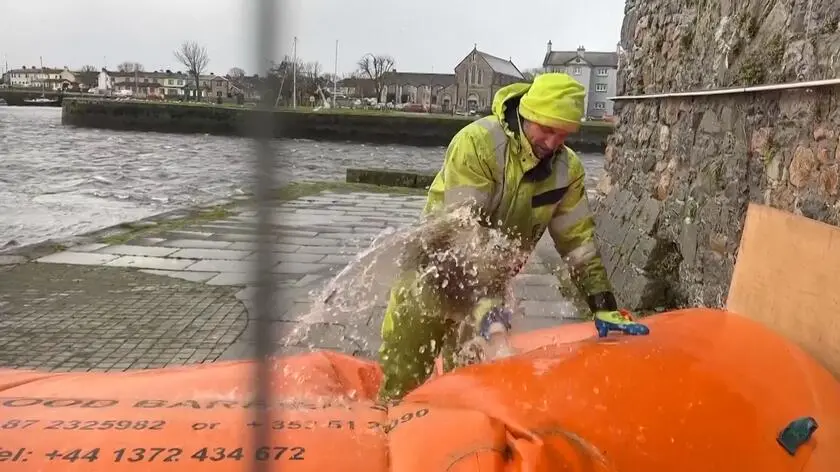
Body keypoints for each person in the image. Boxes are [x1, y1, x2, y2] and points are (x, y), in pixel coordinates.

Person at [377, 73, 649, 402]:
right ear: (526, 114)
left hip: (492, 281)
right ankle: (391, 422)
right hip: (432, 275)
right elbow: (463, 232)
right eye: (546, 129)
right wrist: (488, 308)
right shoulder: (477, 143)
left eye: (563, 134)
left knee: (471, 381)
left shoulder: (568, 170)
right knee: (404, 374)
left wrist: (602, 304)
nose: (552, 143)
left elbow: (578, 244)